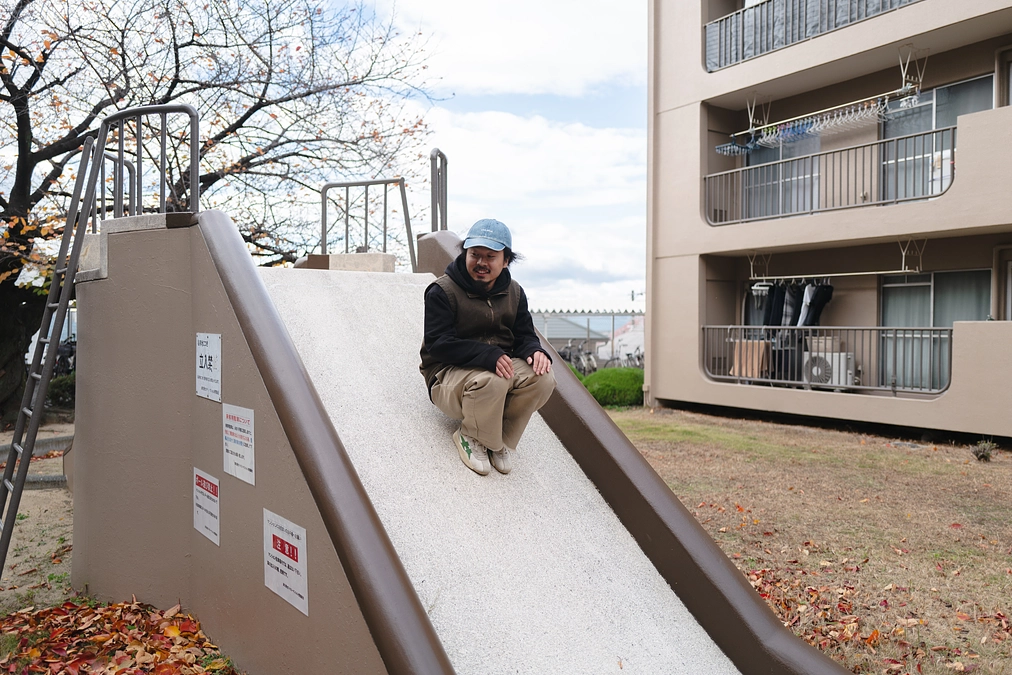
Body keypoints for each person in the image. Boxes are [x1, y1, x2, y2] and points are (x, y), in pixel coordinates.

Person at [419, 218, 556, 475]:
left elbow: (524, 335)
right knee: (493, 380)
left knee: (543, 377)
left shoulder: (514, 292)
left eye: (490, 256)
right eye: (475, 254)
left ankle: (497, 440)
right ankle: (470, 435)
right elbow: (438, 344)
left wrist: (534, 351)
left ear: (506, 261)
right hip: (448, 375)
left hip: (495, 367)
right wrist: (487, 354)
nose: (481, 262)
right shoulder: (442, 291)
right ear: (465, 253)